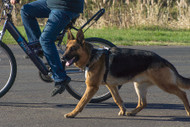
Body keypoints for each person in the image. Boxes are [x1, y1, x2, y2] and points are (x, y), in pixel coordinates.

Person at [10, 0, 84, 96]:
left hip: (66, 6)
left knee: (46, 39)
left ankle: (60, 78)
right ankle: (38, 48)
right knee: (26, 10)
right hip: (53, 3)